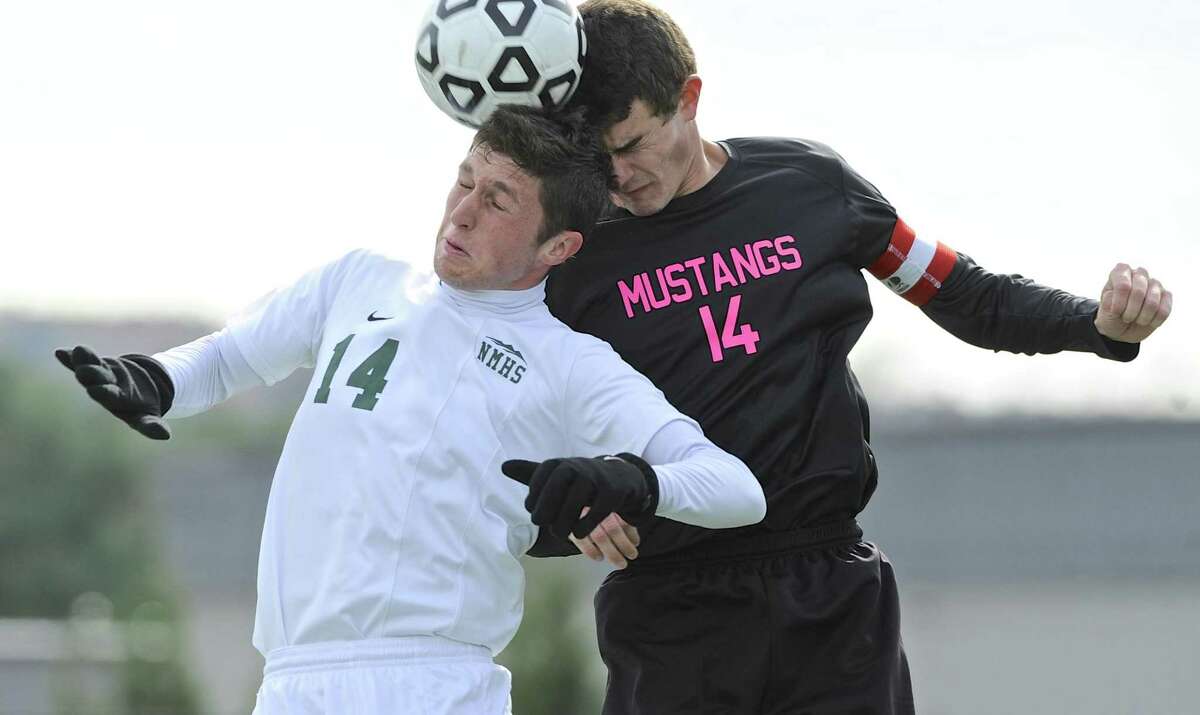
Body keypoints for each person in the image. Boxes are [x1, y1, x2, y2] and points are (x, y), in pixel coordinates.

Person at [535, 1, 1176, 713]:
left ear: (689, 98)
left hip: (828, 597)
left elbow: (966, 294)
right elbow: (515, 419)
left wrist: (1099, 324)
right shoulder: (570, 251)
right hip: (670, 606)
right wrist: (581, 510)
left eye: (632, 144)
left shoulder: (812, 188)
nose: (617, 175)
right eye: (598, 155)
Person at [54, 105, 767, 715]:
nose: (461, 211)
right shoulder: (358, 279)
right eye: (465, 179)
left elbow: (739, 490)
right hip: (290, 682)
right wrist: (157, 378)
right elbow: (228, 357)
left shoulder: (569, 362)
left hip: (431, 682)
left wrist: (632, 481)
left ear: (558, 245)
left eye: (497, 201)